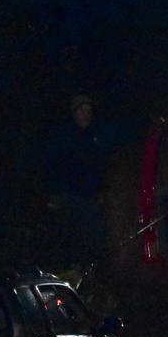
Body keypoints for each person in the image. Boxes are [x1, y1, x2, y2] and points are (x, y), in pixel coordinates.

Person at [45, 94, 114, 269]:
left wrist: (101, 191)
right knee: (70, 240)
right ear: (74, 113)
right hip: (69, 197)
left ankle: (92, 274)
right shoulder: (64, 136)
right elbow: (53, 165)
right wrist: (54, 194)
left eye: (89, 110)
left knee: (94, 240)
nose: (86, 114)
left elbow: (102, 167)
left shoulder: (95, 137)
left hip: (90, 198)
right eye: (82, 110)